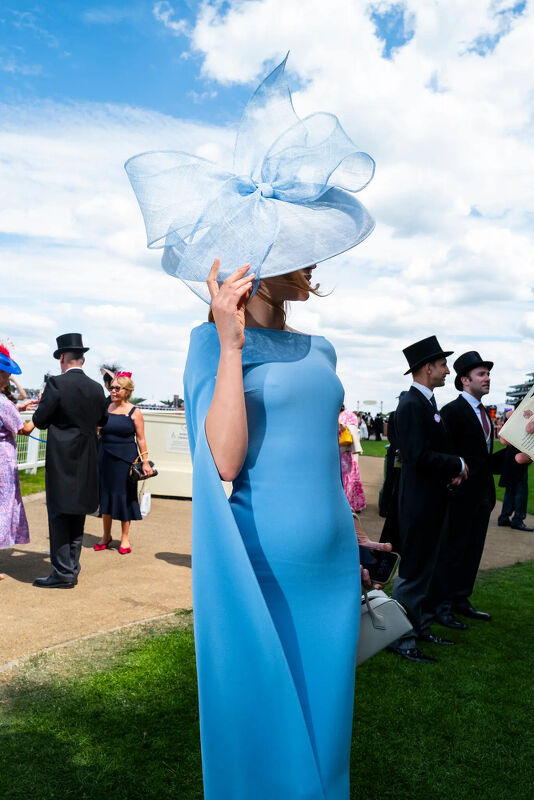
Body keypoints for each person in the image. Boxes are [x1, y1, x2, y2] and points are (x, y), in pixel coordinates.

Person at [127, 55, 376, 799]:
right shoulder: (210, 345)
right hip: (259, 564)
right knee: (263, 725)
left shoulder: (322, 348)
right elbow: (225, 461)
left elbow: (316, 459)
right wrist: (232, 343)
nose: (310, 262)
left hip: (329, 565)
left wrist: (357, 539)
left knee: (325, 736)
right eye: (293, 248)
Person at [389, 336, 468, 664]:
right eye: (443, 365)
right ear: (427, 368)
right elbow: (418, 456)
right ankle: (400, 638)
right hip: (419, 506)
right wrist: (457, 464)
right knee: (412, 572)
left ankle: (418, 627)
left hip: (431, 502)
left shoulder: (426, 403)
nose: (448, 371)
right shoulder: (411, 405)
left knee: (424, 569)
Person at [433, 352, 504, 629]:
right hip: (459, 497)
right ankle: (442, 606)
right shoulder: (452, 411)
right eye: (481, 374)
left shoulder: (484, 412)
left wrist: (516, 454)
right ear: (465, 380)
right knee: (453, 551)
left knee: (472, 550)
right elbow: (445, 454)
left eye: (488, 373)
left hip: (482, 496)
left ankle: (461, 599)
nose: (487, 378)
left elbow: (482, 459)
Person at [32, 333, 108, 588]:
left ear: (62, 357)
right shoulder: (97, 388)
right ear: (82, 359)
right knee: (77, 515)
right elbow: (103, 421)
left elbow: (41, 420)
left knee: (58, 515)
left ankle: (62, 573)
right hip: (87, 458)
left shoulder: (56, 384)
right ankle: (71, 567)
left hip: (62, 459)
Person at [94, 371, 152, 554]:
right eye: (111, 388)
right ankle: (106, 536)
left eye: (117, 388)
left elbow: (141, 439)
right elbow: (97, 431)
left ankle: (125, 538)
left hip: (125, 460)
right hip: (105, 457)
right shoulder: (106, 408)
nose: (113, 391)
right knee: (106, 496)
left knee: (124, 497)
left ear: (127, 391)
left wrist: (145, 462)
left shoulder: (135, 412)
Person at [0, 345, 33, 576]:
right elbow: (22, 429)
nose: (7, 378)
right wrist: (42, 416)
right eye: (4, 374)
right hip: (3, 459)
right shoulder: (2, 402)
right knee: (2, 506)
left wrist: (18, 407)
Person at [497, 442, 533, 531]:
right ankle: (518, 520)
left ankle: (504, 517)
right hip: (519, 452)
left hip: (511, 452)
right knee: (521, 490)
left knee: (511, 488)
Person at [339, 405, 366, 513]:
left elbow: (354, 429)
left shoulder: (349, 415)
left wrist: (343, 426)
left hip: (346, 452)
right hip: (335, 451)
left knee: (349, 479)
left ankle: (350, 504)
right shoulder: (330, 413)